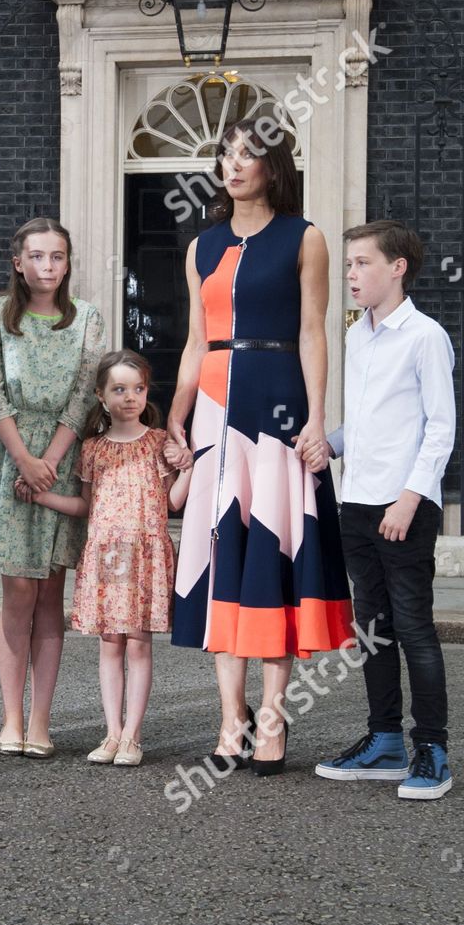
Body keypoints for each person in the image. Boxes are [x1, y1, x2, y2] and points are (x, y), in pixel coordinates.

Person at [166, 117, 355, 778]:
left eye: (248, 152)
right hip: (215, 413)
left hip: (278, 409)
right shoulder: (202, 247)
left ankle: (272, 717)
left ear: (274, 165)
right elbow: (195, 343)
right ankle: (229, 719)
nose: (234, 162)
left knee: (271, 556)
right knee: (224, 557)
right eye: (226, 152)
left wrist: (315, 420)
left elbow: (313, 332)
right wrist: (176, 419)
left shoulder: (306, 239)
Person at [304, 220, 457, 800]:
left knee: (414, 627)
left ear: (397, 268)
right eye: (348, 265)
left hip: (404, 508)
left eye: (362, 263)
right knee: (372, 631)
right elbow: (371, 423)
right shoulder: (357, 335)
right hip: (358, 504)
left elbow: (441, 430)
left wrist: (409, 499)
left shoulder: (424, 336)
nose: (350, 274)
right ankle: (385, 742)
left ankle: (434, 751)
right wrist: (329, 445)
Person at [0, 217, 105, 759]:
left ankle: (41, 722)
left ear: (68, 264)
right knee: (17, 593)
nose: (48, 267)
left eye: (58, 257)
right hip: (9, 457)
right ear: (18, 263)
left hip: (62, 458)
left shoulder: (87, 319)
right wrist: (24, 458)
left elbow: (83, 397)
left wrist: (49, 460)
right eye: (38, 256)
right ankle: (11, 718)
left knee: (50, 592)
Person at [16, 349, 191, 768]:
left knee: (139, 645)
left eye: (138, 388)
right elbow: (85, 506)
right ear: (100, 395)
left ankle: (133, 735)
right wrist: (43, 497)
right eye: (119, 389)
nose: (130, 397)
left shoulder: (158, 443)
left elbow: (172, 503)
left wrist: (189, 468)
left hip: (147, 551)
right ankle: (112, 733)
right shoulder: (92, 449)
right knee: (110, 643)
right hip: (109, 554)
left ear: (146, 392)